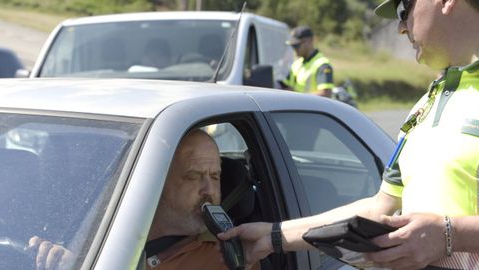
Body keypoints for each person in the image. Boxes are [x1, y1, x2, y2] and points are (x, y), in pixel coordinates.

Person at [219, 1, 479, 269]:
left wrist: (450, 234)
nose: (401, 28)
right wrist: (271, 236)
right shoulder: (427, 102)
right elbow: (380, 208)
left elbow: (438, 233)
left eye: (404, 10)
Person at [28, 129, 258, 270]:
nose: (209, 190)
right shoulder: (97, 233)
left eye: (215, 176)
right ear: (156, 182)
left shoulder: (231, 257)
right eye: (192, 176)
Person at [281, 26, 335, 98]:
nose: (294, 49)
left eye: (296, 46)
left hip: (313, 108)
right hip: (296, 106)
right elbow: (287, 88)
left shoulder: (322, 65)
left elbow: (326, 94)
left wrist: (298, 98)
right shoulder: (297, 64)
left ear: (309, 41)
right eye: (292, 46)